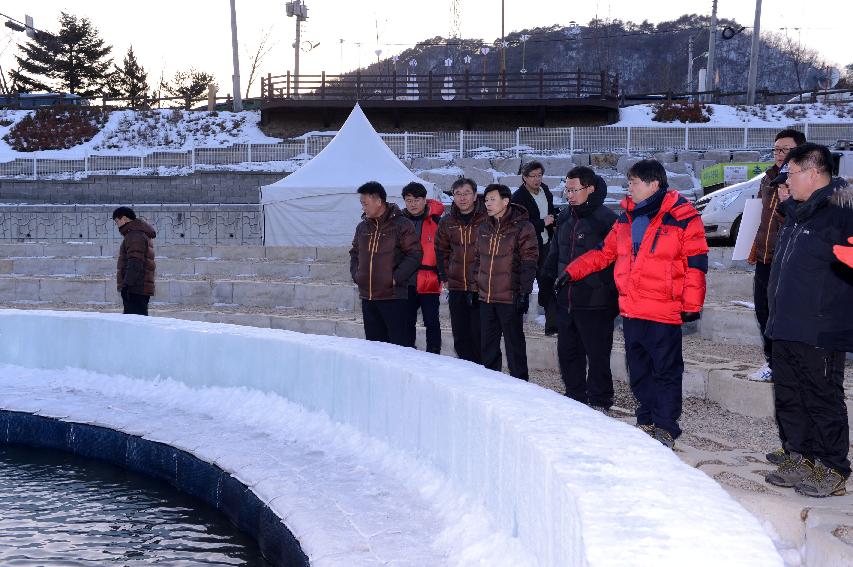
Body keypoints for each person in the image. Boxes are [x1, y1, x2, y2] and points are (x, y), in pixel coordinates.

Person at [561, 160, 708, 448]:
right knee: (638, 369)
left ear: (654, 184)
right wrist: (571, 271)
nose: (630, 187)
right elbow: (604, 253)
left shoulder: (682, 216)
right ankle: (646, 419)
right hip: (632, 309)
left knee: (665, 370)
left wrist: (692, 303)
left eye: (635, 182)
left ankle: (665, 426)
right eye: (629, 182)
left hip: (663, 310)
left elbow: (696, 261)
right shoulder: (626, 218)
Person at [762, 143, 853, 498]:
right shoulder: (800, 213)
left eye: (793, 172)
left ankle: (832, 467)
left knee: (821, 398)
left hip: (820, 326)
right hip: (786, 323)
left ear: (813, 173)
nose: (788, 180)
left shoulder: (842, 213)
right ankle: (801, 456)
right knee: (789, 395)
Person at [544, 166, 618, 410]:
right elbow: (555, 253)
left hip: (596, 301)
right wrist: (548, 280)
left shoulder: (606, 219)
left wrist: (604, 288)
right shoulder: (565, 216)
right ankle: (575, 398)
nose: (570, 195)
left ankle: (600, 401)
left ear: (590, 188)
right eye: (567, 190)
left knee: (597, 356)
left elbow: (616, 260)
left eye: (575, 190)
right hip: (567, 300)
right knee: (568, 353)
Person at [747, 128, 807, 383]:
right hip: (765, 256)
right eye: (776, 149)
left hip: (790, 259)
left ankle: (791, 365)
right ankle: (772, 362)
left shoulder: (804, 180)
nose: (779, 154)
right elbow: (761, 217)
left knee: (786, 314)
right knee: (763, 310)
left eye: (785, 149)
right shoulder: (768, 178)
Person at [473, 183, 538, 380]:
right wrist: (474, 287)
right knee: (488, 344)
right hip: (486, 296)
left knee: (514, 344)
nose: (488, 204)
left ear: (506, 201)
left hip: (509, 295)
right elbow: (478, 259)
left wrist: (524, 292)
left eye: (493, 199)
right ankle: (492, 382)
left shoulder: (522, 226)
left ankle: (520, 383)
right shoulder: (484, 226)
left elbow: (529, 260)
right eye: (486, 200)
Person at [349, 181, 422, 347]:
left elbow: (415, 254)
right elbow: (354, 253)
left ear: (379, 201)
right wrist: (357, 274)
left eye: (365, 204)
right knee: (375, 348)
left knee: (398, 347)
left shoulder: (401, 224)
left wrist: (394, 278)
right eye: (362, 204)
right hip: (368, 297)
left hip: (393, 297)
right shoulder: (362, 227)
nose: (363, 208)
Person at [435, 178, 488, 363]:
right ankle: (467, 373)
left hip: (481, 287)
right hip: (456, 285)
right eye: (458, 194)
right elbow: (441, 250)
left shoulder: (487, 218)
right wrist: (445, 276)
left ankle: (484, 373)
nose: (462, 198)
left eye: (466, 193)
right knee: (461, 335)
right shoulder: (447, 221)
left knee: (480, 334)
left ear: (475, 196)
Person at [512, 161, 558, 335]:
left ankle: (552, 324)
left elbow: (550, 211)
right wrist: (541, 223)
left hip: (545, 244)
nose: (537, 179)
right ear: (524, 178)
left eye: (540, 175)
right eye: (533, 176)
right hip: (527, 249)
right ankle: (514, 324)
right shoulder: (518, 197)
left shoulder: (545, 191)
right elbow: (518, 225)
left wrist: (554, 220)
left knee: (548, 282)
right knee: (524, 285)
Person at [401, 182, 445, 354]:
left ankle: (434, 356)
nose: (413, 204)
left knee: (432, 322)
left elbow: (444, 249)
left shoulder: (437, 222)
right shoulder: (399, 222)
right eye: (409, 200)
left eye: (416, 200)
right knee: (406, 322)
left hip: (430, 280)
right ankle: (407, 355)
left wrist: (443, 273)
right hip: (406, 281)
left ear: (425, 200)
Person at [112, 206, 156, 316]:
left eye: (117, 221)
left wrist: (126, 286)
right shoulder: (138, 233)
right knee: (137, 323)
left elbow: (135, 262)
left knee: (135, 325)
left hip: (135, 288)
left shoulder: (134, 235)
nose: (116, 224)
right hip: (139, 287)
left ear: (124, 219)